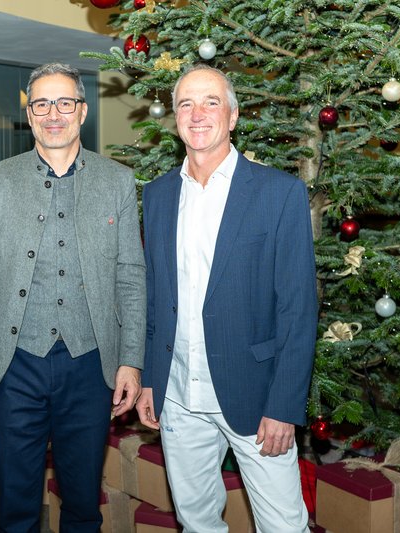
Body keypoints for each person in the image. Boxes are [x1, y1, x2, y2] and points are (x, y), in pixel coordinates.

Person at [0, 62, 146, 532]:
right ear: (29, 114)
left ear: (82, 111)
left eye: (64, 103)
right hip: (15, 363)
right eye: (41, 104)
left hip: (90, 365)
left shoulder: (117, 181)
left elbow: (130, 277)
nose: (53, 114)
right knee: (16, 507)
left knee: (82, 503)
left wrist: (131, 360)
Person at [137, 64, 317, 532]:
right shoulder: (157, 196)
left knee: (284, 525)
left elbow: (298, 310)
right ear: (175, 117)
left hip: (255, 397)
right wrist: (151, 379)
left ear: (233, 116)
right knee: (196, 521)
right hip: (178, 395)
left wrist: (284, 406)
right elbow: (156, 298)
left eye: (211, 102)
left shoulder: (279, 193)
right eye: (186, 104)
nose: (197, 114)